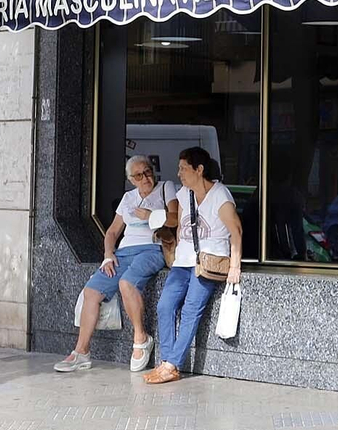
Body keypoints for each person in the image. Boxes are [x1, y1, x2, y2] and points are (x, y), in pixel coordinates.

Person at [54, 155, 176, 374]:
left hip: (152, 248)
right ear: (131, 179)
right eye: (139, 175)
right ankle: (81, 352)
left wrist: (151, 215)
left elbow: (175, 218)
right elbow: (112, 232)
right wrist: (108, 254)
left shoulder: (166, 188)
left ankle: (141, 337)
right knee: (91, 292)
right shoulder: (128, 198)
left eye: (148, 172)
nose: (145, 178)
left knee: (127, 283)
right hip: (123, 251)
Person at [143, 146, 242, 385]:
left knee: (190, 311)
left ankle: (171, 365)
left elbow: (236, 230)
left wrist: (235, 267)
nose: (179, 173)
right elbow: (178, 224)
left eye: (183, 168)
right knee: (165, 306)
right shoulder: (183, 195)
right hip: (182, 262)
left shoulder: (220, 195)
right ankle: (168, 362)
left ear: (199, 169)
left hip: (208, 262)